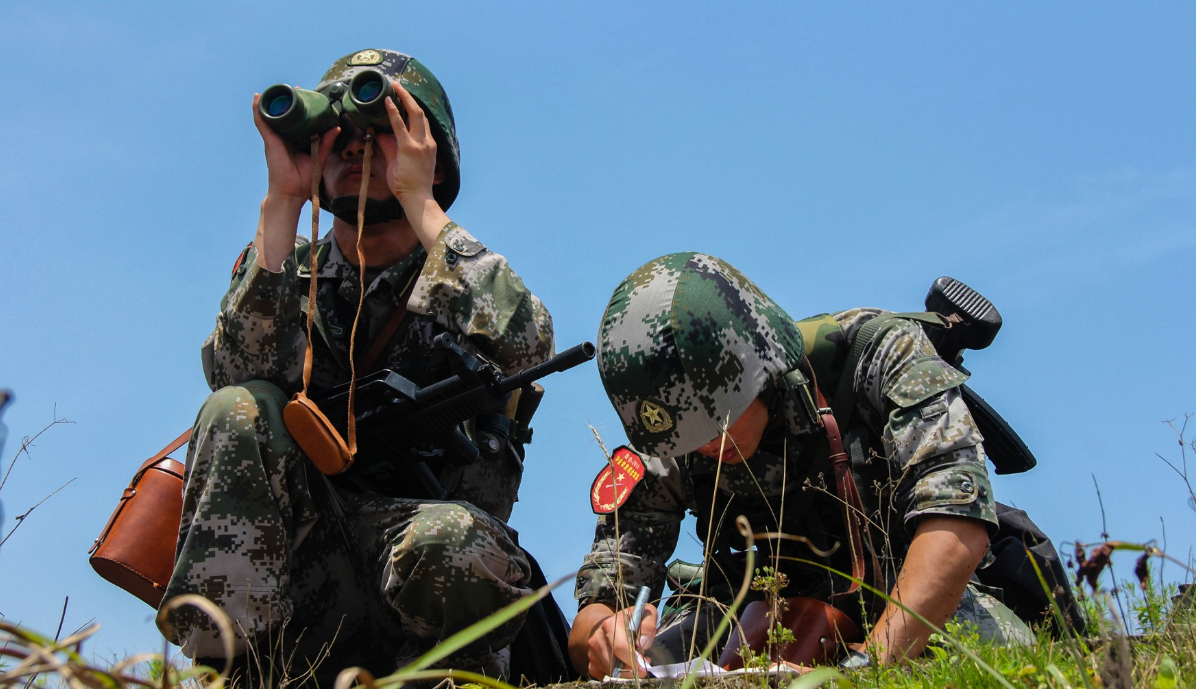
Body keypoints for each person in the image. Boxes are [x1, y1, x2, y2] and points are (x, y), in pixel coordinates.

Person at [158, 49, 555, 683]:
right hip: (301, 570)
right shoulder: (288, 267)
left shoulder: (458, 274)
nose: (355, 148)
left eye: (381, 132)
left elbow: (528, 344)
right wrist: (284, 200)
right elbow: (234, 370)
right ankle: (227, 671)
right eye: (337, 136)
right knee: (236, 408)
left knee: (452, 537)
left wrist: (422, 204)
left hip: (427, 567)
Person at [570, 252, 1034, 679]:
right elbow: (596, 610)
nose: (707, 443)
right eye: (687, 434)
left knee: (988, 657)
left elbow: (958, 528)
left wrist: (866, 671)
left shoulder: (877, 353)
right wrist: (605, 634)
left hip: (905, 601)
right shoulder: (674, 432)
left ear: (757, 365)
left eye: (718, 418)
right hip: (742, 618)